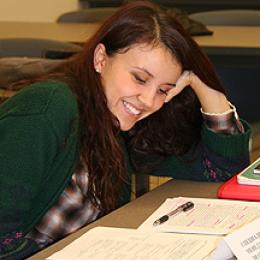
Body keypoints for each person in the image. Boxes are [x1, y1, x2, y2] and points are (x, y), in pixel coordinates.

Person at [0, 1, 251, 259]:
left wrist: (204, 86)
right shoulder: (48, 108)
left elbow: (222, 173)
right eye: (140, 78)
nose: (149, 101)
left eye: (164, 90)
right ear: (100, 59)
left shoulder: (120, 126)